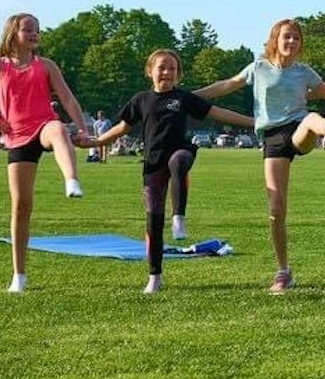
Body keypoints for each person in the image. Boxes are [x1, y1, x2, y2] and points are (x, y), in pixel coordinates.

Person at [195, 18, 325, 293]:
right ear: (275, 39)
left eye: (296, 38)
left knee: (311, 117)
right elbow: (227, 85)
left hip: (298, 127)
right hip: (272, 137)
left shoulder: (304, 72)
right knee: (276, 209)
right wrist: (191, 96)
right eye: (287, 37)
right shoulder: (258, 68)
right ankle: (283, 271)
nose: (292, 42)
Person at [90, 50, 256, 293]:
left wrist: (254, 122)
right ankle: (154, 276)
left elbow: (218, 113)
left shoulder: (184, 98)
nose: (167, 72)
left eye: (172, 69)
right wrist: (95, 142)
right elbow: (122, 128)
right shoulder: (141, 100)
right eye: (162, 68)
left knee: (178, 161)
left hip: (180, 151)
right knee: (153, 222)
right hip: (152, 164)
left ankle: (179, 217)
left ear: (178, 75)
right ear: (150, 71)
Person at [0, 13, 96, 293]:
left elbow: (67, 98)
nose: (34, 35)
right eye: (28, 30)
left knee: (58, 129)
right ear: (12, 33)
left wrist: (82, 128)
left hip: (42, 125)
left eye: (37, 31)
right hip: (16, 136)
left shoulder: (46, 66)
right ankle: (19, 275)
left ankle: (72, 180)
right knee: (21, 206)